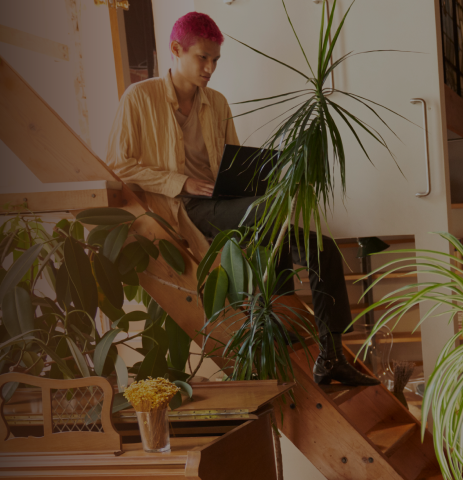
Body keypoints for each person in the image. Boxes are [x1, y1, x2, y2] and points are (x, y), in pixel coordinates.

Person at [105, 12, 378, 386]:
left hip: (230, 206)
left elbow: (233, 163)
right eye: (203, 57)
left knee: (323, 249)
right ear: (175, 50)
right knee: (266, 212)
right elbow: (119, 165)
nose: (210, 67)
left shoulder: (216, 102)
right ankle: (278, 318)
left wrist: (270, 176)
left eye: (215, 60)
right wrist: (181, 182)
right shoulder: (140, 98)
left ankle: (331, 357)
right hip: (183, 209)